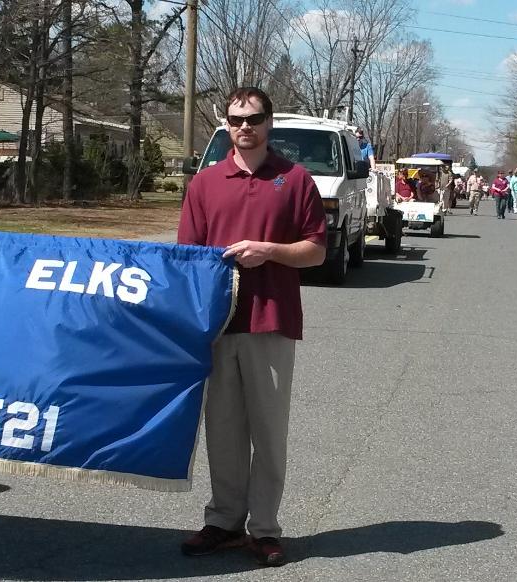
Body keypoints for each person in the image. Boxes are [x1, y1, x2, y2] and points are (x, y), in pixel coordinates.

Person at [177, 87, 326, 568]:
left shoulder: (296, 179)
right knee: (222, 430)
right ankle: (223, 521)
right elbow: (187, 259)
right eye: (237, 119)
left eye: (255, 118)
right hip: (218, 326)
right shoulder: (204, 184)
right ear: (226, 124)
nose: (246, 127)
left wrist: (269, 250)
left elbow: (317, 250)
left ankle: (264, 528)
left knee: (268, 431)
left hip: (272, 321)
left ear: (269, 123)